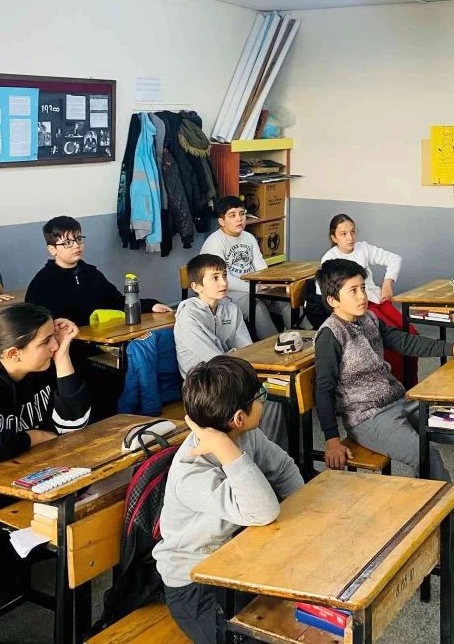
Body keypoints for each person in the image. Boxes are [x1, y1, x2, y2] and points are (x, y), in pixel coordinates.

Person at [314, 258, 454, 563]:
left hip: (400, 401)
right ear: (333, 300)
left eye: (362, 287)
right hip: (367, 418)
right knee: (425, 455)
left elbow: (403, 341)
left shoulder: (368, 318)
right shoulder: (330, 335)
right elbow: (323, 389)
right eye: (354, 291)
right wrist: (331, 439)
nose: (363, 296)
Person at [153, 355, 303, 644]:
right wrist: (225, 448)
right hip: (195, 585)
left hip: (238, 559)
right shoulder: (191, 473)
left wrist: (300, 526)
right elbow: (263, 510)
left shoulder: (245, 434)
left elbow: (284, 469)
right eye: (260, 396)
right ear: (238, 418)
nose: (263, 401)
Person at [174, 254, 287, 450]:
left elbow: (247, 351)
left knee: (276, 395)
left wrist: (236, 356)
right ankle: (260, 455)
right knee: (264, 400)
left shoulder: (230, 308)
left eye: (225, 275)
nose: (223, 282)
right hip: (203, 386)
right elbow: (215, 360)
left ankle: (272, 456)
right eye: (215, 278)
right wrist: (234, 355)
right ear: (197, 287)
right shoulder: (188, 316)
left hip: (231, 376)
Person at [0, 303, 90, 467]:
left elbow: (73, 426)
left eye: (53, 336)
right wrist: (37, 436)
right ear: (14, 354)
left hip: (33, 468)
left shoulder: (40, 366)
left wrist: (62, 357)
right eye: (46, 341)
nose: (55, 346)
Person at [319, 214, 418, 387]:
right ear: (334, 238)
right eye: (343, 234)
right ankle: (396, 385)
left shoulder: (362, 248)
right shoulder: (329, 259)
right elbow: (330, 296)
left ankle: (411, 385)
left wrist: (387, 283)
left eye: (353, 232)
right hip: (360, 308)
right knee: (391, 343)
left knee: (410, 333)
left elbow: (395, 259)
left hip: (377, 300)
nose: (350, 238)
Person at [25, 216, 172, 325]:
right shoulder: (42, 282)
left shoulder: (91, 273)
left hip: (99, 340)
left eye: (78, 239)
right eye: (67, 243)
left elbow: (116, 302)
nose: (76, 246)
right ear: (52, 249)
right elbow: (36, 324)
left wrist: (150, 305)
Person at [200, 197, 289, 339]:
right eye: (232, 215)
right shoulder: (214, 242)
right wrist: (255, 288)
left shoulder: (249, 237)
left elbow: (260, 266)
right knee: (256, 306)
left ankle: (307, 337)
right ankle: (274, 344)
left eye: (242, 214)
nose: (239, 219)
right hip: (227, 291)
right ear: (221, 221)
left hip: (253, 287)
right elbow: (224, 279)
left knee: (285, 299)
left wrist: (269, 284)